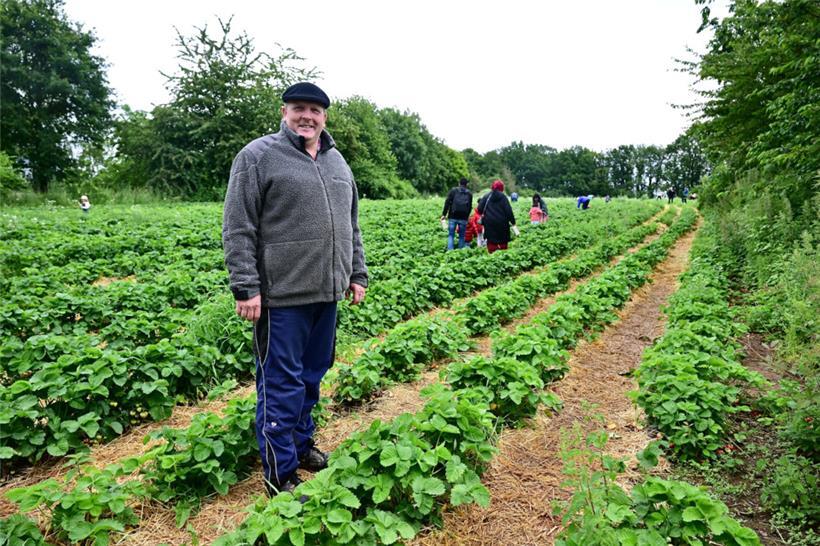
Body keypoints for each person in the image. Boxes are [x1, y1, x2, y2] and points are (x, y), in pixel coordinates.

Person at [222, 82, 368, 497]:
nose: (307, 116)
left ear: (325, 117)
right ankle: (279, 473)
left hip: (327, 293)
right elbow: (238, 226)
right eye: (298, 108)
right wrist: (246, 286)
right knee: (281, 384)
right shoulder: (258, 157)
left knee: (311, 378)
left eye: (315, 110)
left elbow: (351, 224)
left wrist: (357, 274)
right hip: (281, 297)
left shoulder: (338, 163)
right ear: (284, 112)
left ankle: (301, 447)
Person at [477, 180, 517, 253]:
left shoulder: (486, 196)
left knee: (491, 241)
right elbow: (509, 211)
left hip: (489, 223)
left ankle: (492, 255)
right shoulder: (503, 197)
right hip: (502, 223)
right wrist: (513, 222)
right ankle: (502, 255)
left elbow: (479, 209)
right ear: (502, 188)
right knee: (503, 241)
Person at [441, 178, 472, 250]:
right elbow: (469, 206)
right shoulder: (469, 193)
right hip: (463, 218)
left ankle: (450, 251)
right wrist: (467, 217)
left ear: (459, 183)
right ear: (466, 184)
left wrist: (444, 214)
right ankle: (460, 252)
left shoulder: (453, 191)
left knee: (451, 235)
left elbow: (447, 202)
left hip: (453, 216)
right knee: (461, 236)